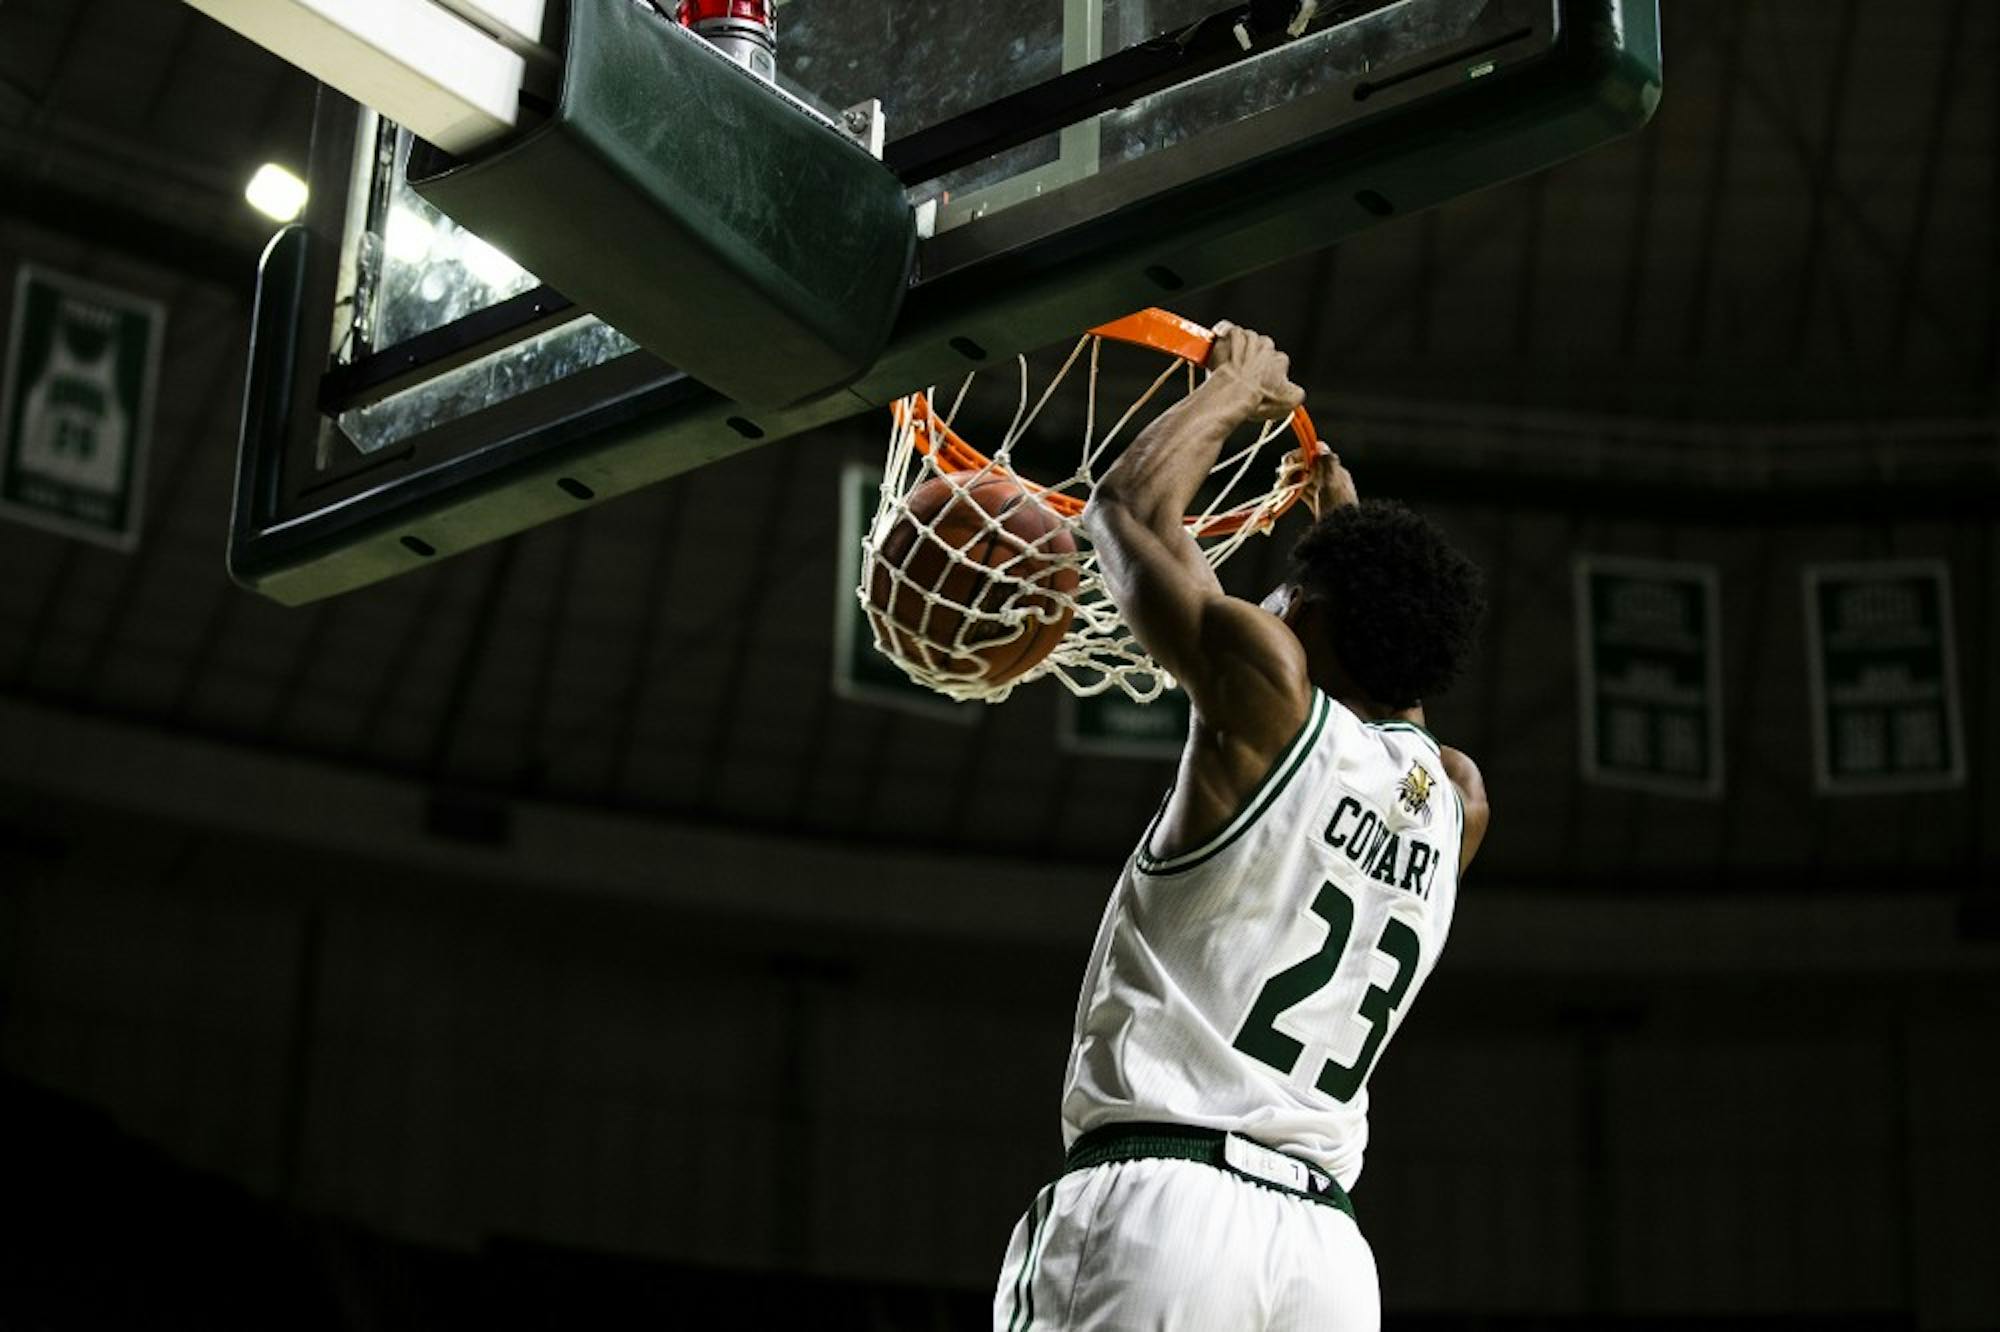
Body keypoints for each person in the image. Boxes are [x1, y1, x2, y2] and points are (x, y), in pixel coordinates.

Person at [993, 323, 1490, 1331]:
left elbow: (1125, 513)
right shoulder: (1455, 800)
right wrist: (1348, 537)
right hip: (1326, 1259)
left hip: (1166, 1208)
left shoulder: (1265, 697)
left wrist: (1234, 389)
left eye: (1284, 596)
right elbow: (1390, 680)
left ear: (1303, 615)